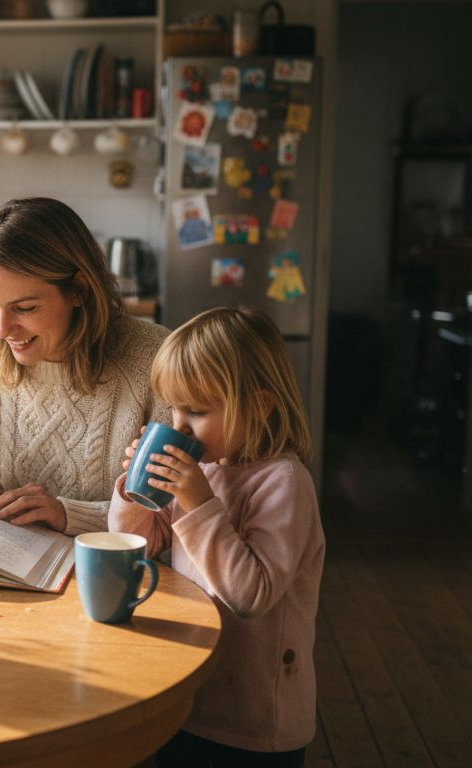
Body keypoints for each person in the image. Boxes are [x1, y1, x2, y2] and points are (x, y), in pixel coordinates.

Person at [110, 305, 323, 766]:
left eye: (197, 411)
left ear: (259, 406)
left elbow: (251, 595)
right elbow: (139, 546)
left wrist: (200, 504)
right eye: (173, 408)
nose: (179, 426)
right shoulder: (204, 471)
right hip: (190, 693)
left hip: (254, 721)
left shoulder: (283, 483)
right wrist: (133, 490)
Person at [0, 196, 169, 536]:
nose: (2, 330)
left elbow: (174, 517)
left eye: (25, 308)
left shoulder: (156, 361)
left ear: (79, 290)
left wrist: (68, 515)